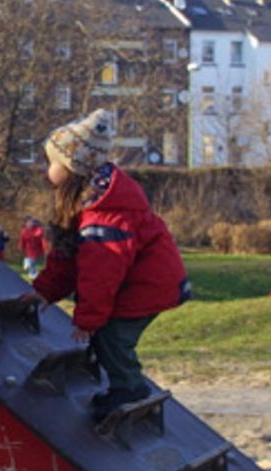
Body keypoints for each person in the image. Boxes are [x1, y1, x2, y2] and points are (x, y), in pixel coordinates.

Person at [21, 110, 190, 421]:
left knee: (111, 336)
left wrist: (88, 319)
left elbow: (102, 272)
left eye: (52, 163)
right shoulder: (87, 205)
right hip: (136, 281)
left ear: (74, 167)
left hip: (148, 285)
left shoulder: (104, 216)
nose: (47, 170)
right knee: (107, 335)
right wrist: (44, 291)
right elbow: (66, 257)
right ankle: (123, 384)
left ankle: (129, 389)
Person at [19, 215, 46, 280]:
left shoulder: (38, 229)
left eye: (31, 222)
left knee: (33, 261)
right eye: (28, 222)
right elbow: (22, 239)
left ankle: (29, 267)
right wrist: (21, 246)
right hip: (29, 248)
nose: (30, 223)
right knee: (32, 261)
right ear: (26, 223)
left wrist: (44, 247)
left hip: (37, 248)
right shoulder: (24, 230)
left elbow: (41, 237)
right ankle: (33, 273)